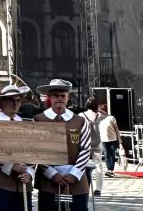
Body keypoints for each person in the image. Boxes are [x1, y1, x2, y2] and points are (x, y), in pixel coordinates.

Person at [33, 79, 91, 211]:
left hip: (76, 180)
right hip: (48, 181)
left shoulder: (80, 121)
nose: (59, 98)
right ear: (49, 97)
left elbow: (85, 149)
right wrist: (51, 173)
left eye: (62, 95)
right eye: (55, 95)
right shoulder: (38, 120)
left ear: (68, 97)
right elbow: (36, 149)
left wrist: (74, 174)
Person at [98, 104, 120, 174]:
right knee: (106, 154)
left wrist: (119, 139)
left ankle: (111, 168)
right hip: (103, 140)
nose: (99, 113)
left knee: (112, 154)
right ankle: (109, 169)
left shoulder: (111, 118)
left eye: (100, 111)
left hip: (113, 139)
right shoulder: (98, 119)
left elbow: (116, 129)